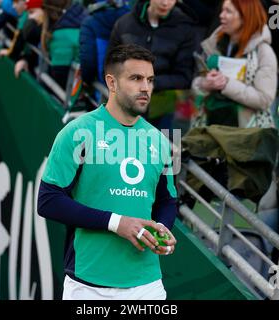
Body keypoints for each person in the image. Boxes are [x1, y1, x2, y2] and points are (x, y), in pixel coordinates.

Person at [37, 44, 178, 300]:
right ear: (111, 83)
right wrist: (116, 223)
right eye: (135, 78)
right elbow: (48, 201)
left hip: (147, 285)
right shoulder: (76, 132)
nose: (145, 87)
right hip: (88, 285)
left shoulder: (160, 140)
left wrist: (162, 228)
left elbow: (168, 200)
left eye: (150, 80)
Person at [108, 0, 196, 130]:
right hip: (126, 105)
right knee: (123, 147)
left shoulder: (185, 28)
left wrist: (149, 82)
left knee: (167, 148)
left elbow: (185, 76)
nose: (165, 3)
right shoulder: (124, 24)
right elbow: (110, 65)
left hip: (165, 112)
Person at [191, 0, 278, 128]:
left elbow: (264, 99)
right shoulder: (213, 44)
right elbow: (195, 83)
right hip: (209, 127)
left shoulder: (263, 52)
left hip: (245, 136)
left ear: (245, 17)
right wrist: (205, 84)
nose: (222, 15)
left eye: (228, 11)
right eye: (222, 10)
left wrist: (227, 84)